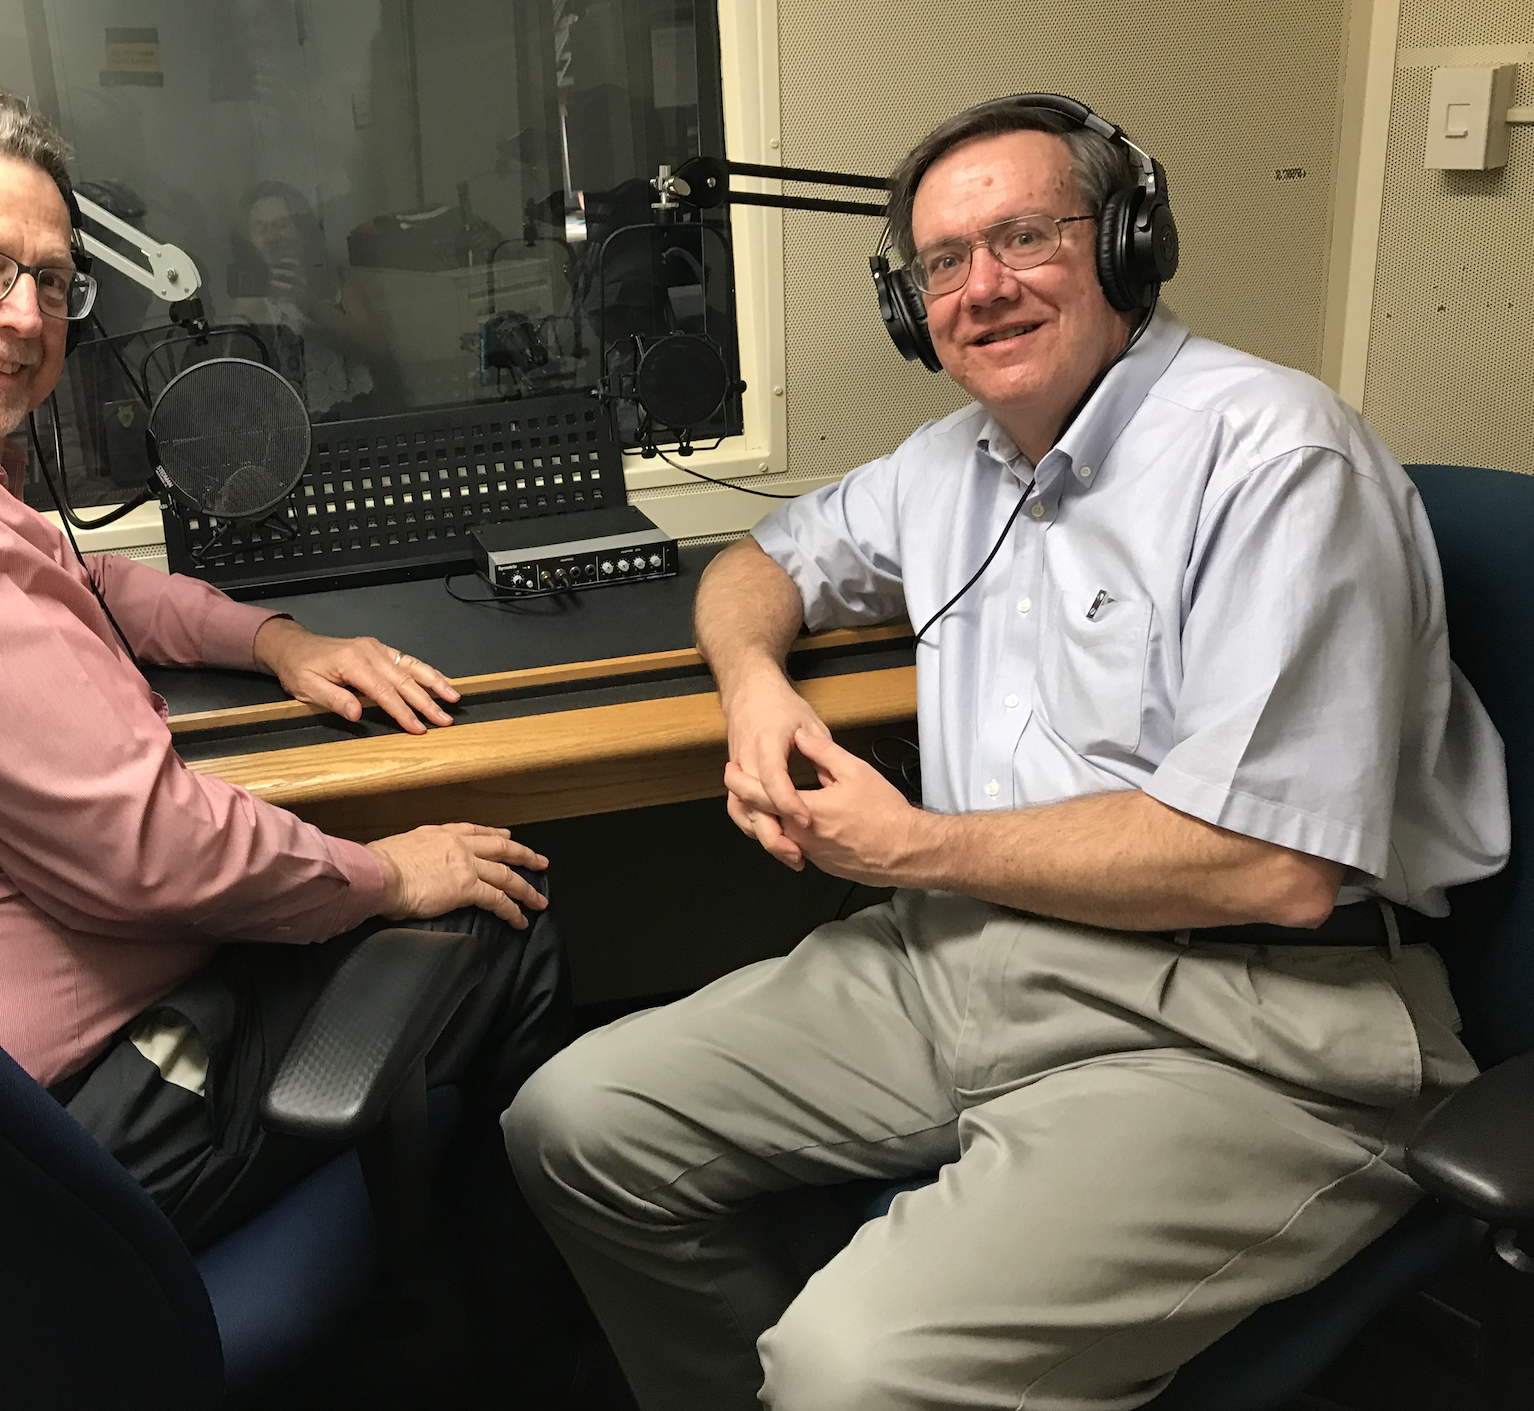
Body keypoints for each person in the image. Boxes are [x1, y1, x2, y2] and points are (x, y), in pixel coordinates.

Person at [502, 95, 1509, 1410]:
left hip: (1250, 1021)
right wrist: (752, 687)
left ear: (1126, 246)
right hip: (968, 952)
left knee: (849, 1366)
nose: (981, 289)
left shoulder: (1272, 455)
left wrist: (911, 846)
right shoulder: (952, 464)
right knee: (574, 1122)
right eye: (939, 263)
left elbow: (1271, 868)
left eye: (1024, 236)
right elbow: (758, 562)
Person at [0, 84, 565, 1254]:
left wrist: (271, 640)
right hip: (55, 1126)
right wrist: (386, 874)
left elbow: (80, 584)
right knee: (504, 920)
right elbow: (152, 851)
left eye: (51, 282)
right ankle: (499, 1326)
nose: (27, 317)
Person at [223, 179, 395, 418]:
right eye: (261, 228)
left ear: (302, 231)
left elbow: (377, 349)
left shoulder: (336, 279)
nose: (273, 237)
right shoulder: (250, 298)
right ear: (250, 240)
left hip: (355, 416)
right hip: (290, 432)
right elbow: (232, 385)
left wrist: (311, 305)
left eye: (281, 225)